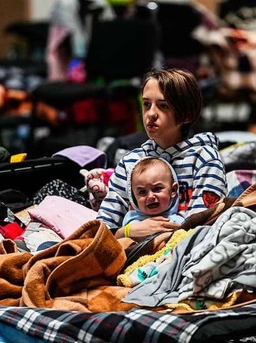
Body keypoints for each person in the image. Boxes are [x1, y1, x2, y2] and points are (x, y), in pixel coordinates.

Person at [97, 67, 227, 240]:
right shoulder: (131, 162)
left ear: (187, 114)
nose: (151, 114)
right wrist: (127, 232)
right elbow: (102, 229)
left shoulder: (205, 158)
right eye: (146, 104)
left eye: (163, 106)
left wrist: (158, 234)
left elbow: (202, 225)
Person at [122, 156, 184, 227]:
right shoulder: (130, 221)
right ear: (133, 197)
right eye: (142, 192)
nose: (150, 196)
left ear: (173, 190)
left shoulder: (179, 223)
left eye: (157, 188)